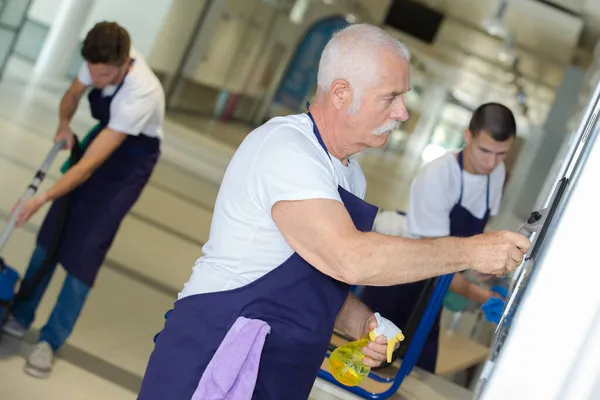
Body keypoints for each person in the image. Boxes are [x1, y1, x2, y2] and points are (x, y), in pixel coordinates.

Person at [137, 24, 529, 400]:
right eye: (390, 97)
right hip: (221, 355)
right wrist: (472, 251)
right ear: (341, 93)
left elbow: (314, 279)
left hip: (283, 367)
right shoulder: (287, 150)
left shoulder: (350, 174)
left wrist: (362, 323)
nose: (403, 113)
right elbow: (348, 258)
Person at [1, 21, 165, 378]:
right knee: (52, 232)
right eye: (92, 70)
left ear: (124, 64)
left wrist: (42, 196)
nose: (96, 77)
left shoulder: (141, 92)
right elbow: (73, 96)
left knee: (86, 249)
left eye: (105, 73)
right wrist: (63, 124)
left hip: (129, 162)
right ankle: (20, 314)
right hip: (104, 137)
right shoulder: (98, 57)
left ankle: (50, 341)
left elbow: (90, 165)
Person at [361, 102, 517, 373]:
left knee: (417, 364)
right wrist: (482, 296)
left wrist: (480, 270)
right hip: (403, 277)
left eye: (501, 154)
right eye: (484, 150)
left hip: (436, 285)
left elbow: (473, 236)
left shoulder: (497, 174)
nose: (491, 162)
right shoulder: (437, 177)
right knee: (374, 362)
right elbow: (436, 257)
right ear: (468, 136)